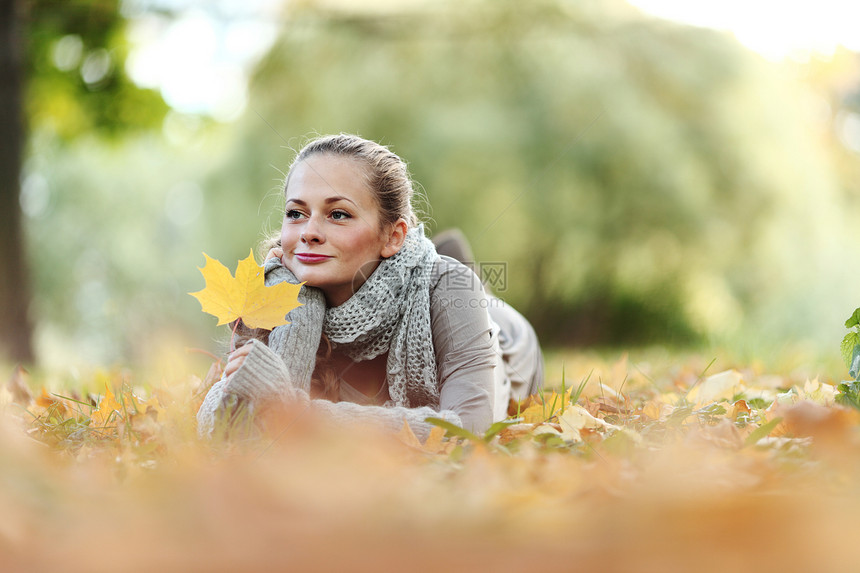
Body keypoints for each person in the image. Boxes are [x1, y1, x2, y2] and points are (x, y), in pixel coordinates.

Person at [197, 134, 543, 440]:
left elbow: (468, 431)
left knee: (469, 290)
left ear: (393, 236)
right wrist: (298, 308)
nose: (308, 232)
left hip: (510, 350)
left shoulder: (450, 287)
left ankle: (454, 263)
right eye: (296, 213)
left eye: (339, 214)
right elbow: (226, 424)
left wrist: (299, 415)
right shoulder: (278, 294)